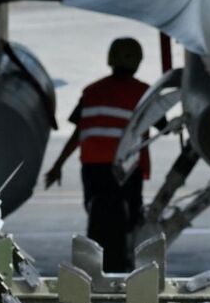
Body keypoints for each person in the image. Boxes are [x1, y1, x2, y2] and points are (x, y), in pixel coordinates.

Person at [45, 37, 151, 272]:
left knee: (96, 215)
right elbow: (159, 123)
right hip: (126, 168)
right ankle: (125, 267)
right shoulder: (144, 93)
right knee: (130, 220)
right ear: (137, 62)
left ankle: (95, 266)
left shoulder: (91, 92)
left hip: (93, 167)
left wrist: (58, 165)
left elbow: (79, 132)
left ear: (110, 60)